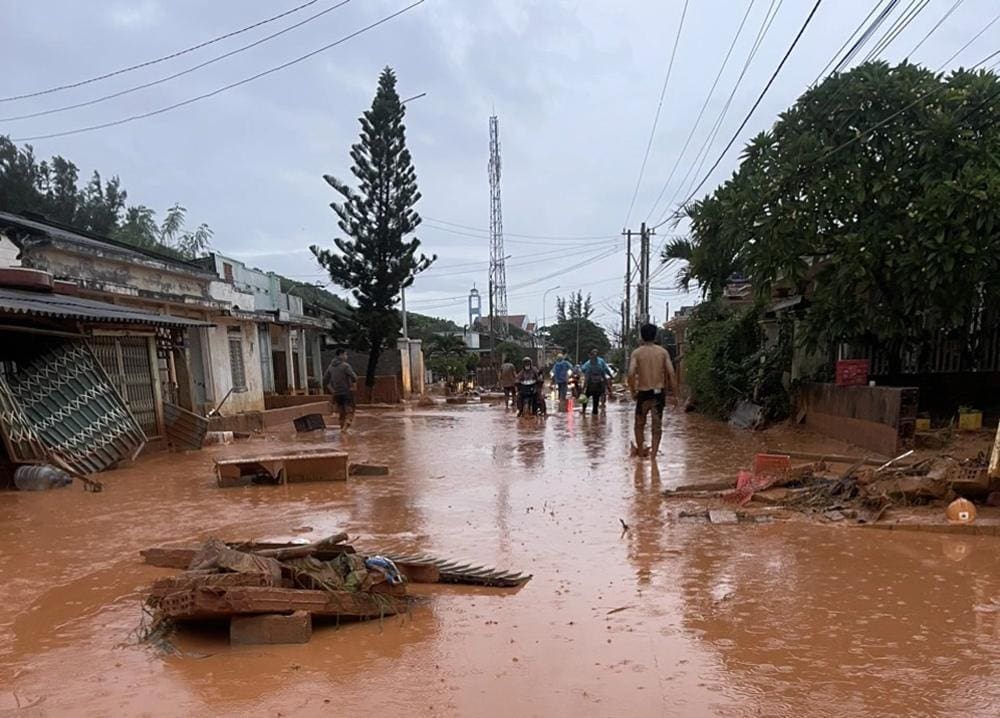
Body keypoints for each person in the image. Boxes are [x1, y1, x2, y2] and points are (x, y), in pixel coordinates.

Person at [628, 323, 678, 459]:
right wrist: (675, 395)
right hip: (658, 393)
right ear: (655, 335)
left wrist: (633, 391)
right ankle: (653, 457)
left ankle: (640, 454)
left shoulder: (637, 353)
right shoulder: (662, 352)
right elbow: (672, 373)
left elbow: (631, 373)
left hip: (643, 393)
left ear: (642, 336)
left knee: (639, 425)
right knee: (657, 427)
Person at [324, 348, 358, 431]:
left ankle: (342, 430)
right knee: (350, 411)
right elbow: (354, 377)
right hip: (346, 392)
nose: (346, 356)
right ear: (341, 355)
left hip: (336, 393)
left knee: (341, 413)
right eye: (345, 354)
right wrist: (353, 385)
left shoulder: (330, 367)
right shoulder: (345, 366)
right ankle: (346, 426)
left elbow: (325, 380)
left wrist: (332, 390)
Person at [580, 348, 611, 416]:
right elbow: (604, 376)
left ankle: (584, 412)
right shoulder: (599, 365)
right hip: (597, 385)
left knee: (587, 398)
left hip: (592, 386)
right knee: (595, 402)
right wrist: (608, 387)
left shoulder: (589, 366)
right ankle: (595, 420)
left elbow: (586, 378)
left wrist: (583, 389)